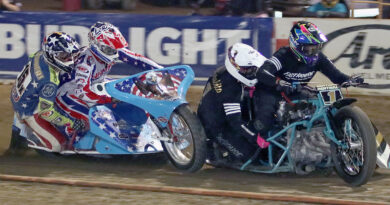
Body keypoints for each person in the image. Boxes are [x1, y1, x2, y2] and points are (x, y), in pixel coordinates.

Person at [253, 21, 364, 136]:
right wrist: (279, 83)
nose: (313, 51)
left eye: (315, 47)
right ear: (296, 45)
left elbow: (336, 76)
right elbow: (262, 72)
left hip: (297, 91)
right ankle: (264, 146)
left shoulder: (319, 58)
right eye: (308, 48)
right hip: (272, 92)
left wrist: (350, 80)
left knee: (323, 110)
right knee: (264, 122)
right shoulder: (283, 55)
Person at [56, 22, 163, 126]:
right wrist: (108, 99)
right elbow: (82, 92)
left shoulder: (111, 49)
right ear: (96, 46)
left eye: (115, 49)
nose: (114, 53)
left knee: (131, 87)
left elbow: (138, 59)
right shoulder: (86, 62)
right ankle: (73, 142)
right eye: (110, 49)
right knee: (92, 123)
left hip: (94, 86)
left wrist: (162, 70)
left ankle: (150, 117)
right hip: (70, 94)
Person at [9, 32, 85, 153]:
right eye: (64, 55)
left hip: (21, 93)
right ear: (51, 55)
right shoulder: (50, 82)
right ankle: (33, 140)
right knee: (58, 146)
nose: (69, 59)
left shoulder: (40, 54)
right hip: (30, 110)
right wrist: (71, 123)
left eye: (71, 54)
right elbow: (46, 112)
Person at [197, 43, 270, 164]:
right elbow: (234, 121)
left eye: (253, 68)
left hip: (221, 111)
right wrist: (254, 138)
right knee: (254, 156)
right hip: (217, 126)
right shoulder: (230, 88)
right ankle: (214, 147)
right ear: (234, 66)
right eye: (247, 69)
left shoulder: (224, 72)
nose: (251, 72)